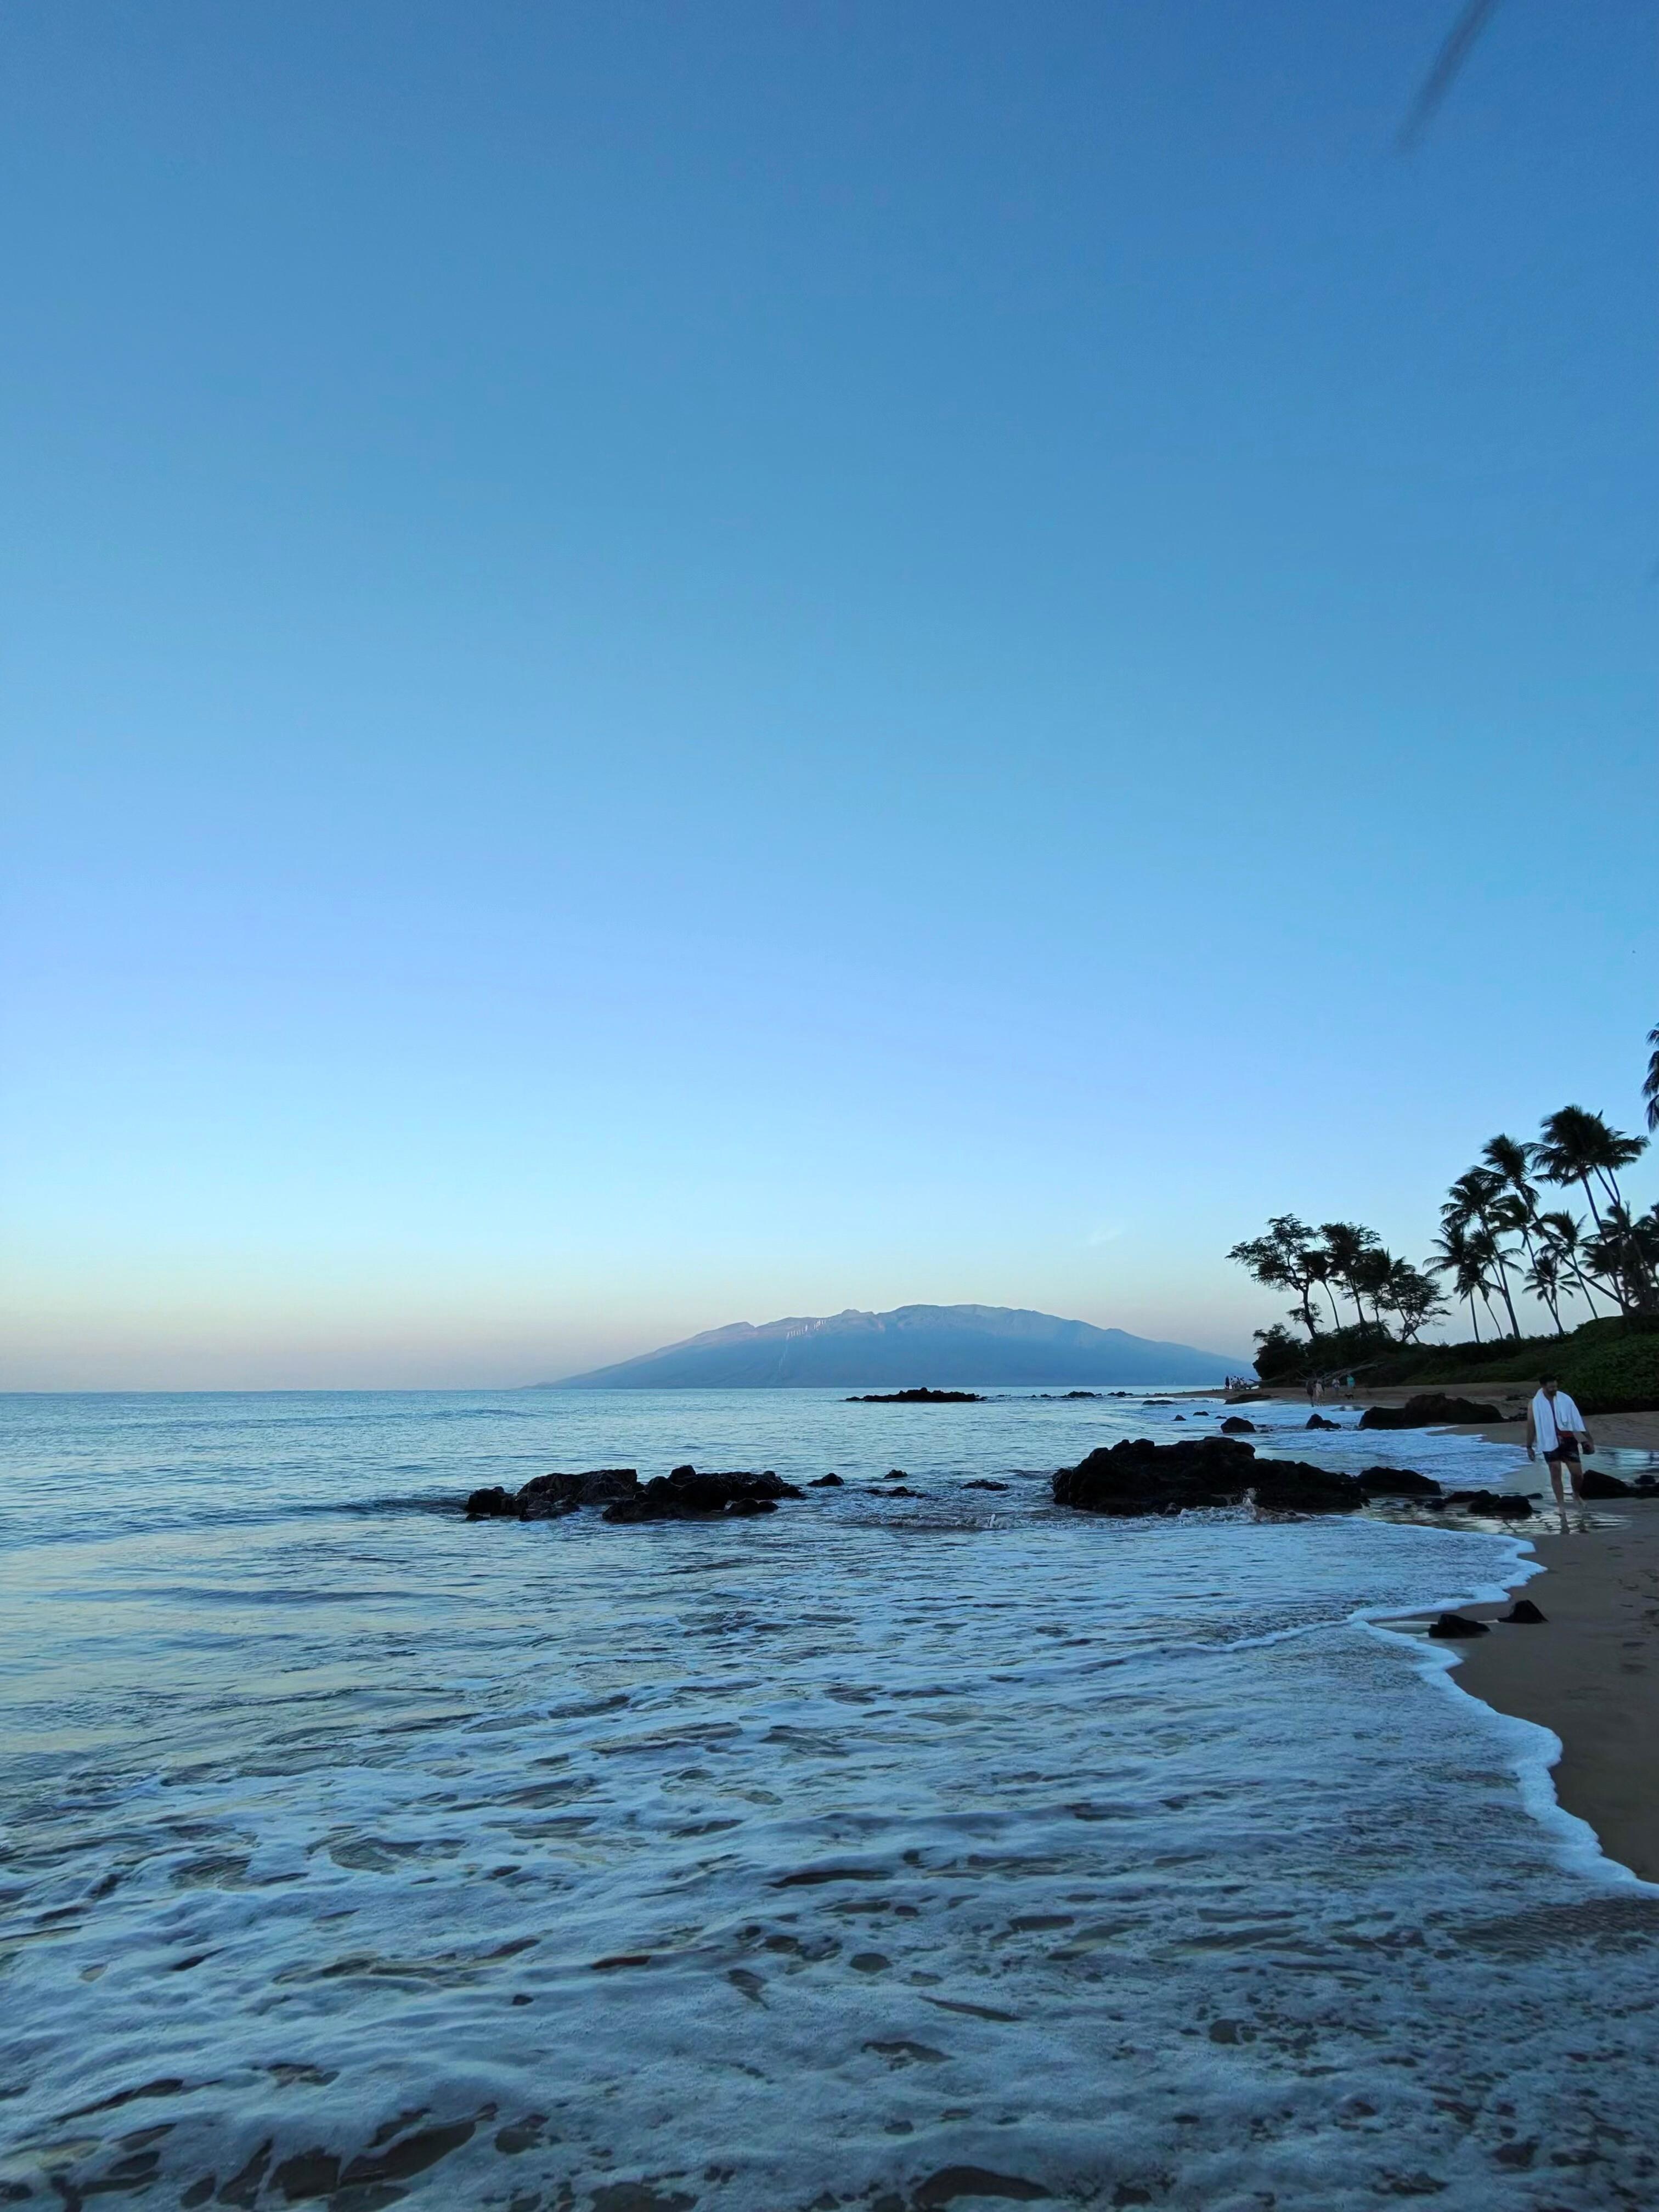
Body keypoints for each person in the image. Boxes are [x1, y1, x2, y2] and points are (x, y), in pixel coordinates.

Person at [1526, 1374, 1595, 1509]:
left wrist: (1589, 1438)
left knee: (1577, 1474)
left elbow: (1577, 1419)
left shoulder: (1566, 1399)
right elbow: (1531, 1425)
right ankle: (1561, 1505)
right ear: (1543, 1386)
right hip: (1548, 1441)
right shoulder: (1534, 1403)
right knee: (1555, 1470)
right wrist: (1529, 1446)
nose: (1555, 1389)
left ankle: (1576, 1494)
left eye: (1556, 1386)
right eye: (1551, 1387)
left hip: (1568, 1439)